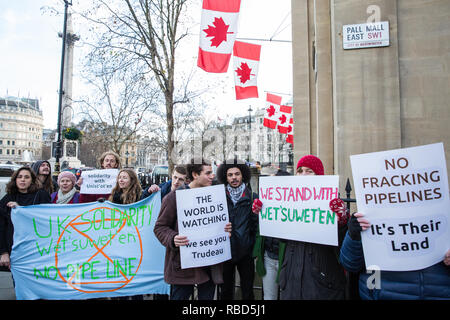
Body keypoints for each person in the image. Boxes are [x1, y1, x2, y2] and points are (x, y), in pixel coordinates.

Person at [153, 158, 232, 300]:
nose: (212, 176)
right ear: (195, 175)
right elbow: (160, 228)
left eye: (212, 173)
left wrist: (225, 228)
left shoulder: (214, 196)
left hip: (209, 265)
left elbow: (217, 223)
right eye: (208, 173)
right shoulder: (174, 198)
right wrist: (172, 238)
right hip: (183, 267)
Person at [276, 155, 348, 299]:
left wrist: (341, 222)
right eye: (300, 171)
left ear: (319, 175)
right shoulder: (288, 201)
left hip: (320, 282)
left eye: (309, 171)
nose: (303, 175)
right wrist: (264, 212)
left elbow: (344, 246)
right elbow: (280, 238)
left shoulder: (333, 203)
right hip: (291, 280)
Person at [340, 212, 450, 299]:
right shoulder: (367, 215)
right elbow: (350, 264)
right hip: (380, 293)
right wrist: (354, 236)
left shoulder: (442, 210)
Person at [216, 158, 258, 300]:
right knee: (226, 291)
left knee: (247, 291)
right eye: (230, 175)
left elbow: (256, 225)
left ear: (243, 175)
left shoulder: (252, 197)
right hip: (225, 251)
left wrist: (252, 247)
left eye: (237, 174)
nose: (234, 177)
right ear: (225, 177)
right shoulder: (218, 197)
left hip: (246, 253)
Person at [0, 167, 51, 270]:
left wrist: (21, 211)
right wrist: (3, 252)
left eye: (26, 177)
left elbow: (46, 221)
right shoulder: (7, 198)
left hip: (36, 251)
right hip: (15, 250)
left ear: (32, 180)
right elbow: (1, 227)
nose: (23, 179)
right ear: (15, 180)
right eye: (20, 177)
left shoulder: (41, 196)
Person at [252, 169, 290, 300]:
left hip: (286, 259)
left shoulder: (295, 205)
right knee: (269, 296)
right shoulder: (266, 202)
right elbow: (259, 229)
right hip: (268, 257)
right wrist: (257, 213)